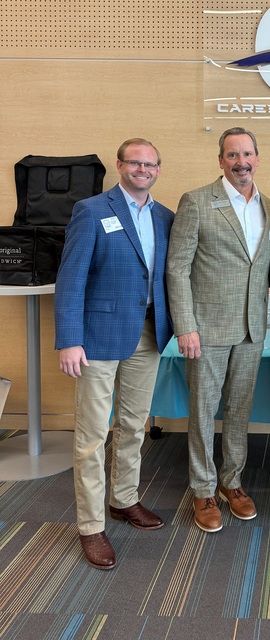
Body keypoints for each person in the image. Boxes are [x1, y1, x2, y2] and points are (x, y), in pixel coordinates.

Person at [54, 138, 174, 570]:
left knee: (133, 426)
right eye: (134, 162)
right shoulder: (92, 211)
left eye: (150, 164)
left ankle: (124, 500)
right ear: (120, 165)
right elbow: (70, 278)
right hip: (98, 336)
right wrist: (70, 338)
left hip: (148, 333)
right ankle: (90, 526)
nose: (142, 169)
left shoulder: (165, 217)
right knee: (91, 437)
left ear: (159, 169)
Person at [166, 127, 270, 533]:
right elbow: (177, 269)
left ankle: (232, 482)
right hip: (206, 329)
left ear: (257, 158)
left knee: (238, 411)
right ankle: (202, 488)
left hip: (251, 328)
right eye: (232, 155)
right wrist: (186, 326)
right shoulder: (196, 202)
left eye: (247, 154)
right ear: (220, 161)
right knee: (202, 412)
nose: (241, 162)